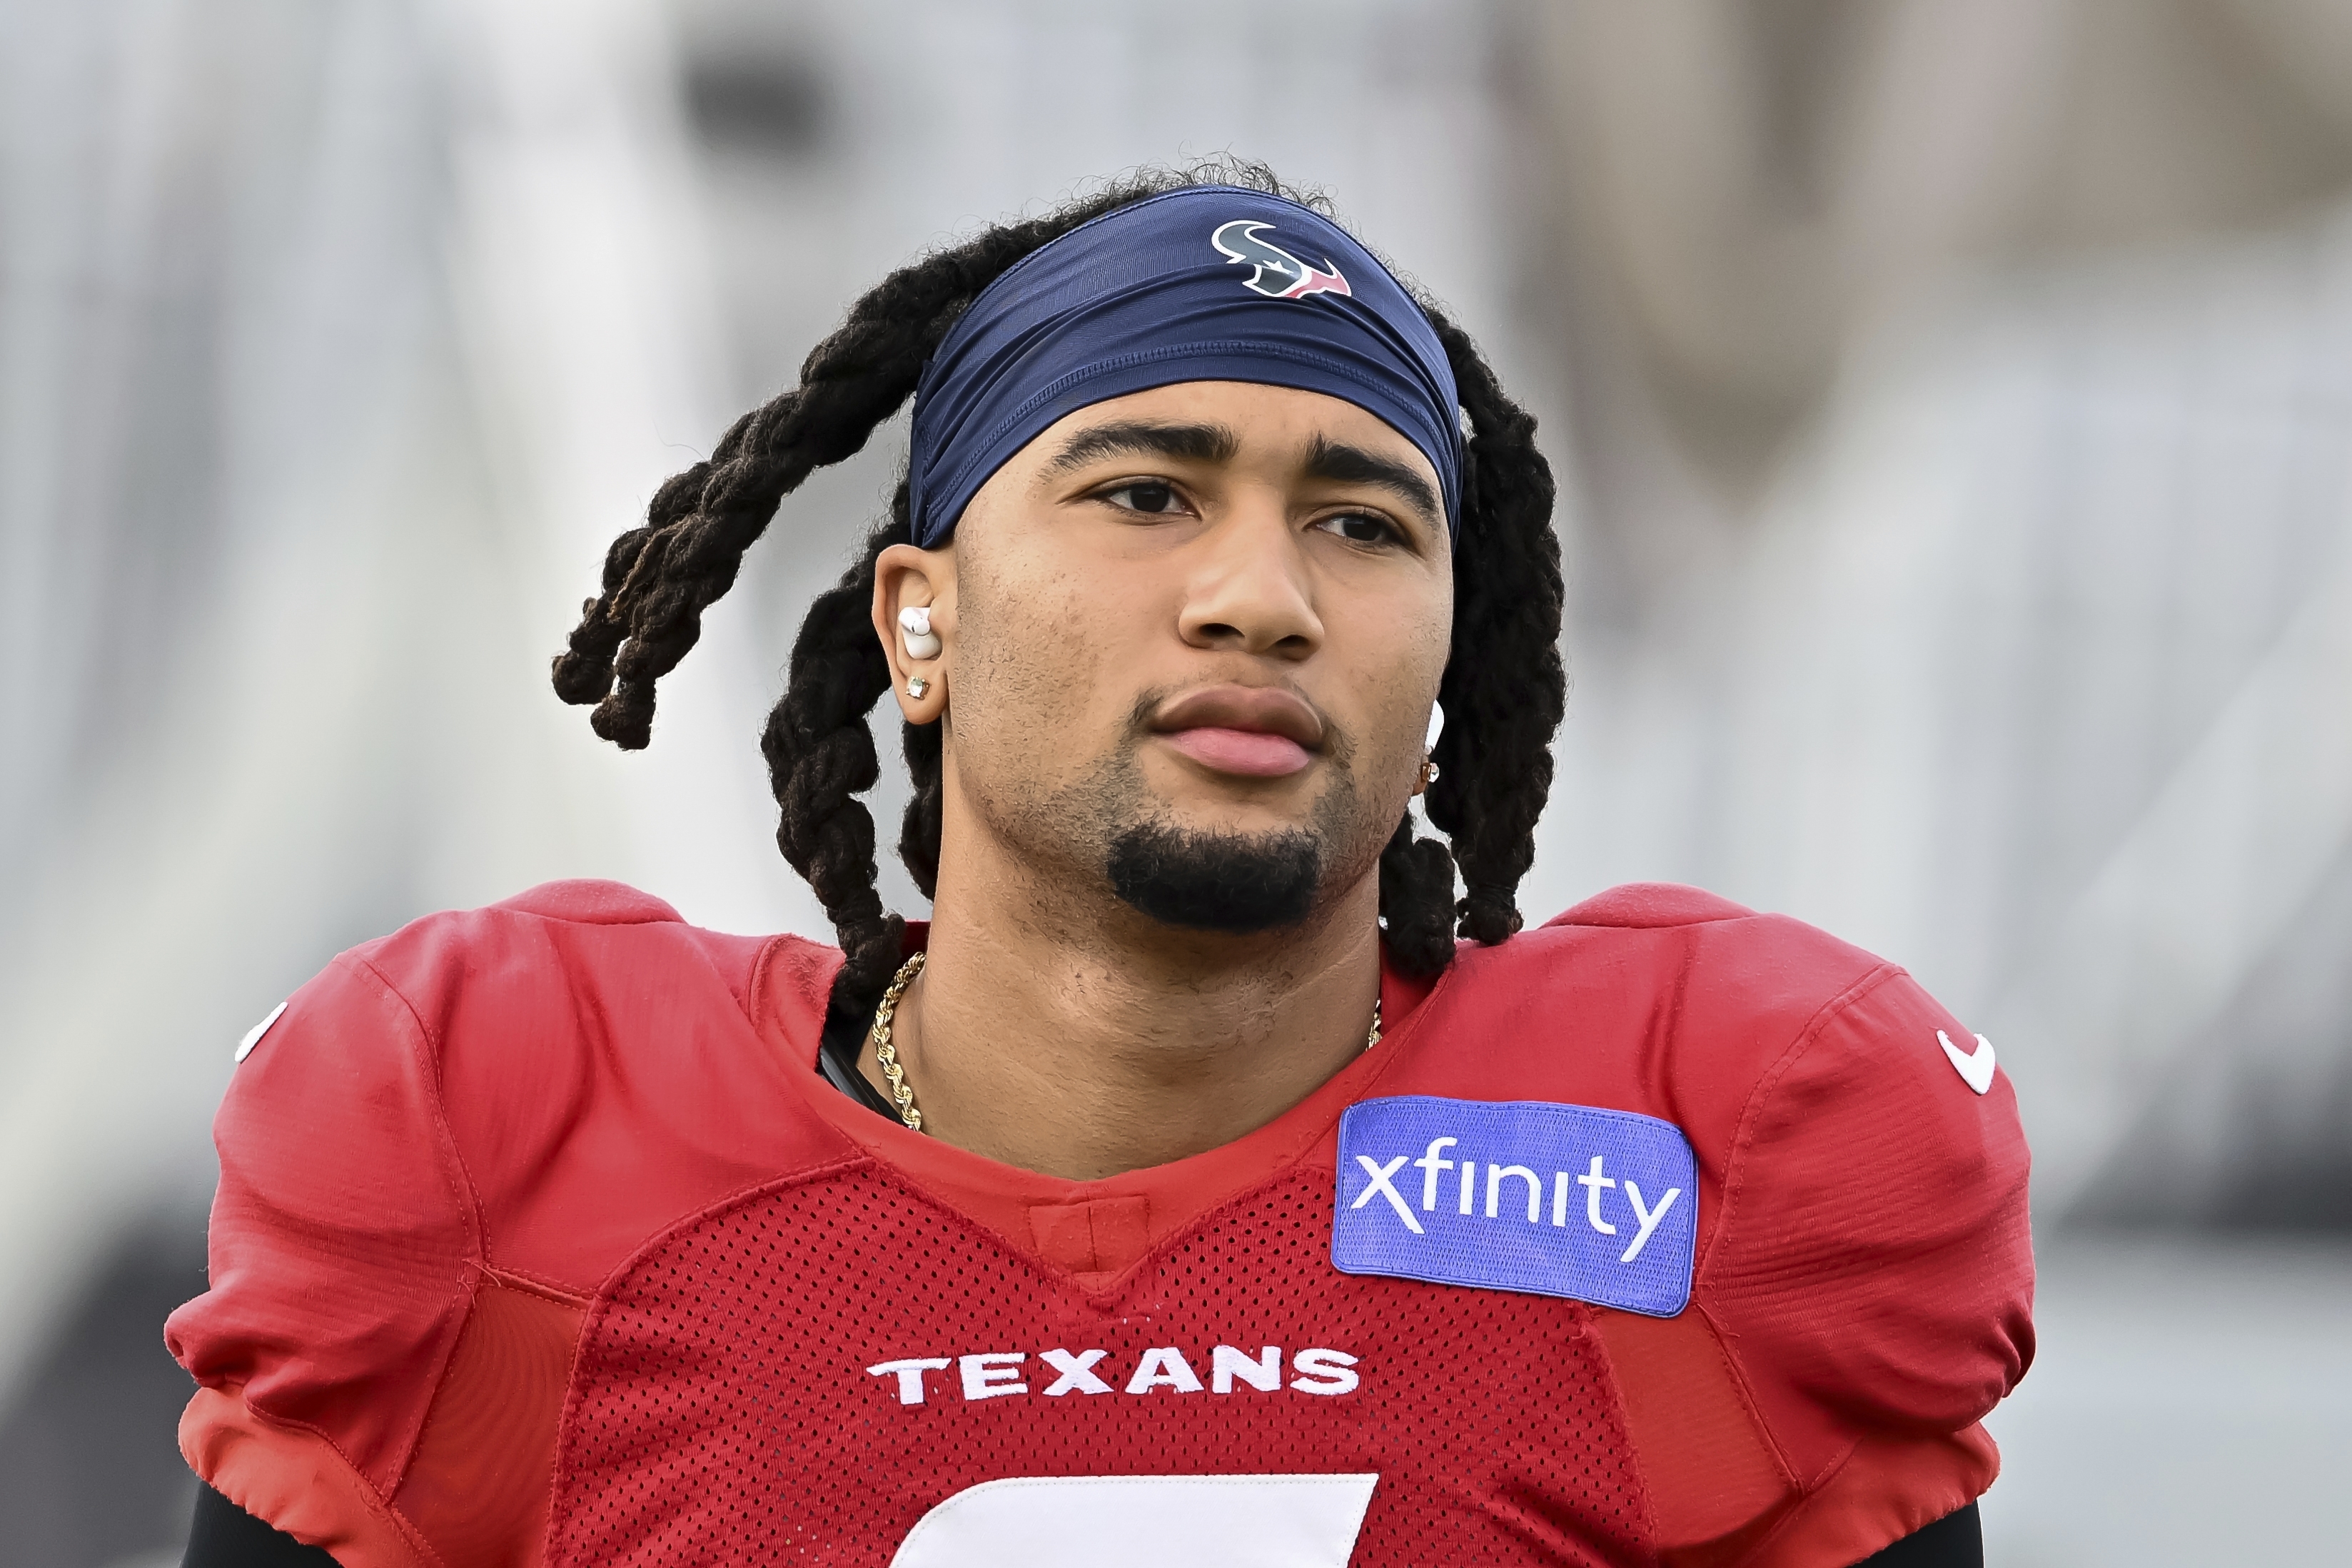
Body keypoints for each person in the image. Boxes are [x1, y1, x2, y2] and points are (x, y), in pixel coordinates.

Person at [164, 163, 2032, 1568]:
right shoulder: (513, 1138)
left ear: (1450, 655)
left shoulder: (1712, 1164)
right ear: (922, 624)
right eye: (1145, 492)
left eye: (1363, 523)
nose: (1261, 598)